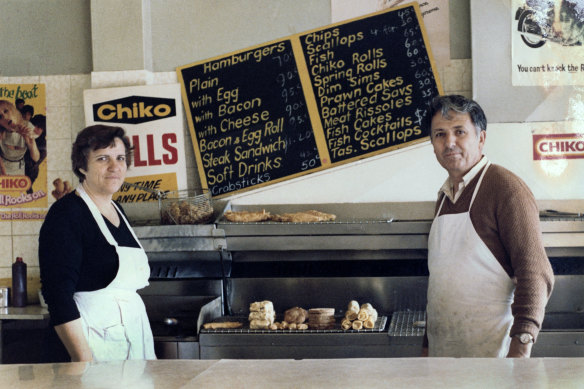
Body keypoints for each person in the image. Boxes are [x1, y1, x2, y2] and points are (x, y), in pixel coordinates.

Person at [423, 95, 554, 358]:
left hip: (495, 360)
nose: (449, 143)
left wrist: (521, 348)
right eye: (440, 135)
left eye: (459, 132)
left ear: (481, 138)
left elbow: (536, 273)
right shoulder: (443, 197)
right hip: (443, 360)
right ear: (433, 145)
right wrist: (427, 347)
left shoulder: (506, 188)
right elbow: (439, 286)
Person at [39, 124, 156, 362]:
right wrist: (83, 361)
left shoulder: (118, 210)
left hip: (134, 344)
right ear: (82, 166)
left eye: (120, 158)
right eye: (103, 158)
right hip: (92, 346)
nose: (115, 167)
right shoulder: (66, 213)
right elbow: (57, 294)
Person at [0, 99, 42, 176]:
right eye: (0, 117)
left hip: (19, 168)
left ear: (12, 110)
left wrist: (31, 142)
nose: (5, 117)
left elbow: (36, 158)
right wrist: (3, 171)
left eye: (6, 111)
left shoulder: (27, 126)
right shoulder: (1, 133)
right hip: (2, 168)